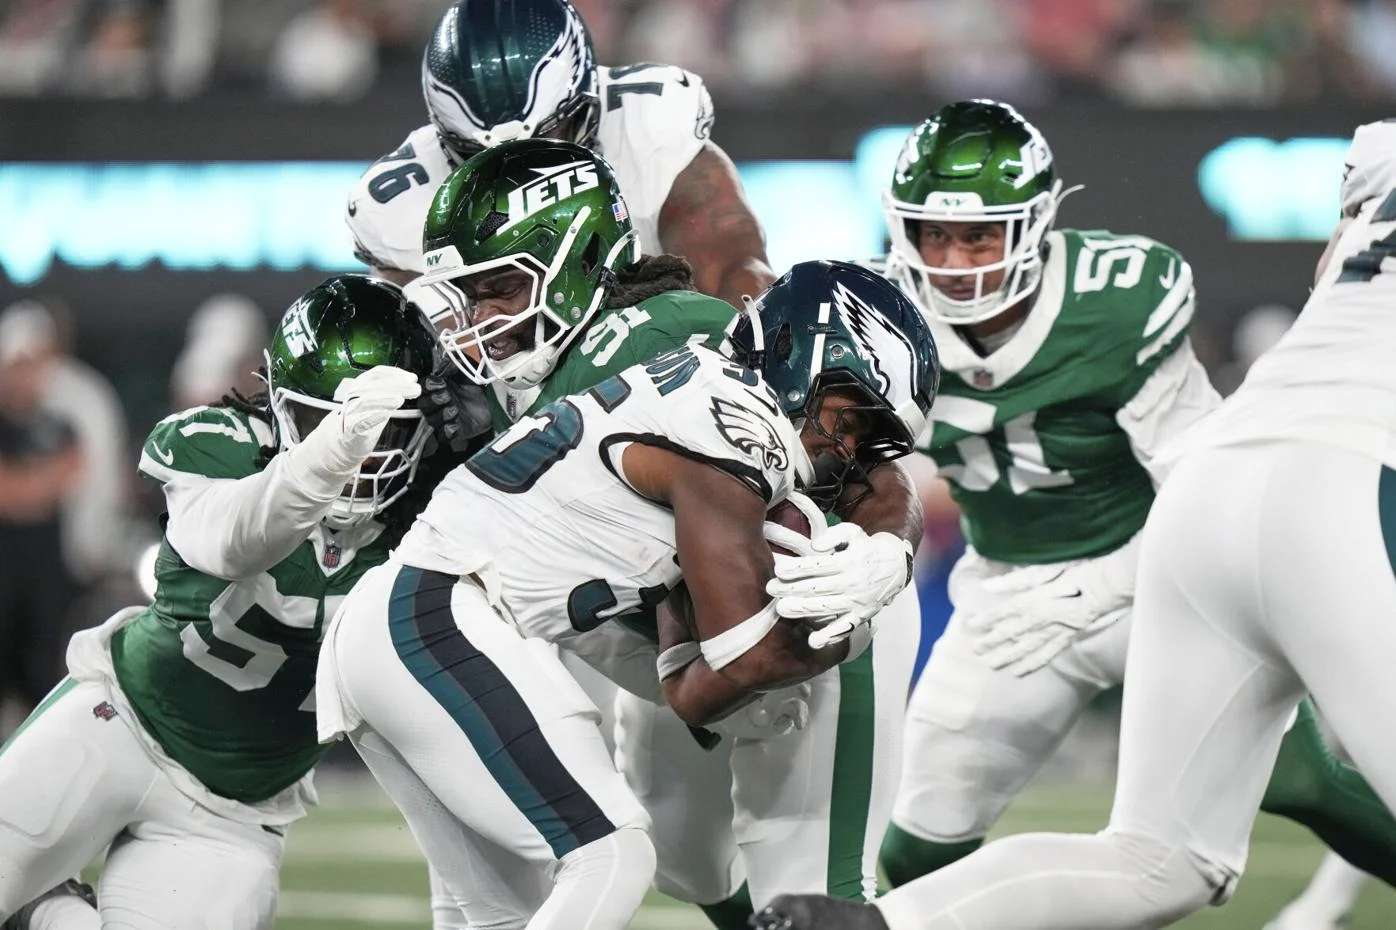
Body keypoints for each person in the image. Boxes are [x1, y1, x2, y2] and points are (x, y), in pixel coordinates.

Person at [753, 118, 1396, 930]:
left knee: (1295, 784)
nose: (954, 262)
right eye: (934, 235)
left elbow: (1191, 468)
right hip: (1010, 597)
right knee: (921, 836)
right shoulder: (879, 315)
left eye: (979, 237)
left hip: (1150, 566)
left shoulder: (1114, 299)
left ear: (1034, 224)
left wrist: (1102, 584)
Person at [316, 253, 938, 930]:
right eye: (846, 420)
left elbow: (692, 692)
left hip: (401, 626)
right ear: (798, 358)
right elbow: (748, 656)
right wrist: (853, 622)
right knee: (610, 855)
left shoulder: (701, 386)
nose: (843, 451)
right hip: (440, 619)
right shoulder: (740, 424)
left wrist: (880, 558)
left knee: (502, 916)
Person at [0, 275, 441, 929]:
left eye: (387, 430)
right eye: (323, 420)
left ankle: (44, 915)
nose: (361, 452)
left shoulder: (439, 508)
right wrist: (330, 450)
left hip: (232, 811)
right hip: (118, 723)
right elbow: (232, 542)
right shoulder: (222, 443)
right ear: (279, 404)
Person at [346, 0, 773, 308]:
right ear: (450, 143)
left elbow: (739, 278)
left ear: (587, 101)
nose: (523, 174)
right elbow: (407, 360)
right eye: (487, 157)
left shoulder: (648, 126)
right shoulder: (404, 205)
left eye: (546, 138)